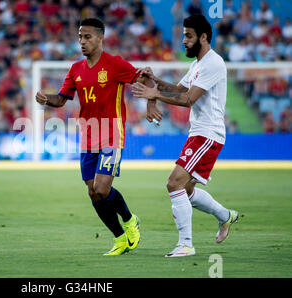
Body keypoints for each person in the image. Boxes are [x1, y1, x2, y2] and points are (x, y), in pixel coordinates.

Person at [35, 18, 162, 256]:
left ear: (100, 38)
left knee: (102, 189)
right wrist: (46, 98)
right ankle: (121, 239)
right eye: (80, 37)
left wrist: (150, 104)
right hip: (87, 135)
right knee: (93, 192)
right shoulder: (75, 69)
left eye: (87, 37)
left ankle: (129, 219)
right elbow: (62, 99)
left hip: (112, 134)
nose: (82, 42)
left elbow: (146, 79)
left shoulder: (115, 64)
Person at [131, 15, 239, 257]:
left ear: (203, 37)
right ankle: (225, 216)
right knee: (186, 190)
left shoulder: (213, 63)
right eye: (183, 35)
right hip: (199, 134)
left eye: (188, 36)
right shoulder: (197, 65)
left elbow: (188, 99)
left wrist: (153, 94)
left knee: (174, 183)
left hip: (208, 134)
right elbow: (178, 90)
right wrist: (154, 80)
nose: (184, 41)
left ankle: (186, 244)